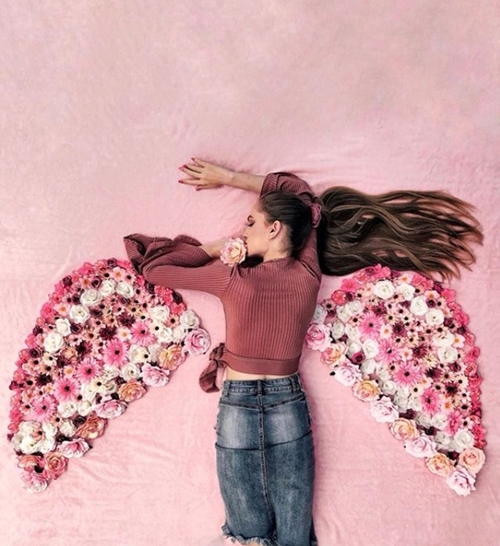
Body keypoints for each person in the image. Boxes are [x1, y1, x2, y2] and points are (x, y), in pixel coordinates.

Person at [123, 158, 483, 546]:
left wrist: (213, 248)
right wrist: (228, 180)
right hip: (286, 401)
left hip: (240, 403)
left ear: (274, 228)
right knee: (293, 530)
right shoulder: (307, 272)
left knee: (247, 532)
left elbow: (154, 270)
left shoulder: (230, 276)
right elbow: (301, 194)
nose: (242, 231)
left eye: (250, 223)